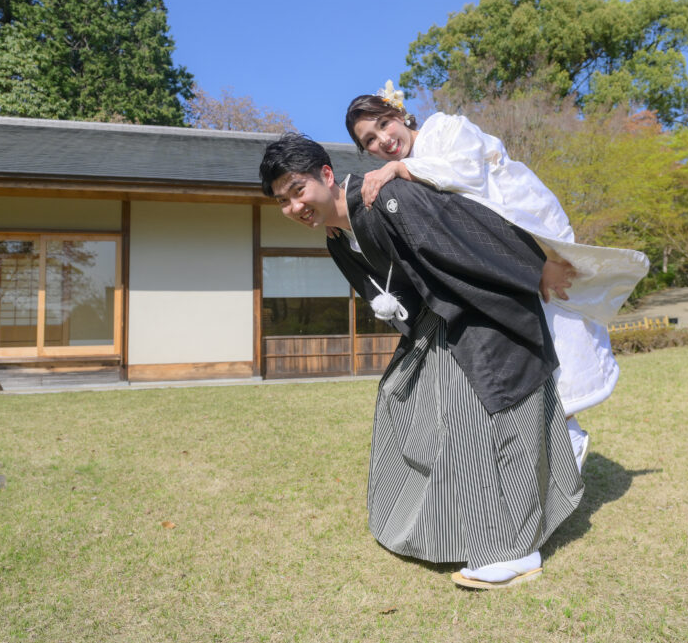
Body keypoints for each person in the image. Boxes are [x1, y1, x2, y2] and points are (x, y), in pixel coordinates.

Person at [259, 133, 584, 589]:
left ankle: (514, 551)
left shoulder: (386, 196)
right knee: (406, 406)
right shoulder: (338, 238)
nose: (295, 206)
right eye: (283, 201)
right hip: (439, 326)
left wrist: (536, 269)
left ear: (326, 176)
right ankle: (452, 528)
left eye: (298, 190)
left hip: (482, 315)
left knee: (483, 429)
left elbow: (472, 234)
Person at [345, 83, 650, 468]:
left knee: (556, 322)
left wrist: (400, 168)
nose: (383, 141)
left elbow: (467, 171)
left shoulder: (445, 129)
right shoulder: (406, 170)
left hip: (528, 229)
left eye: (384, 124)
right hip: (498, 249)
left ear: (401, 115)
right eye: (370, 141)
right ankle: (558, 436)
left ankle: (567, 431)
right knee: (530, 331)